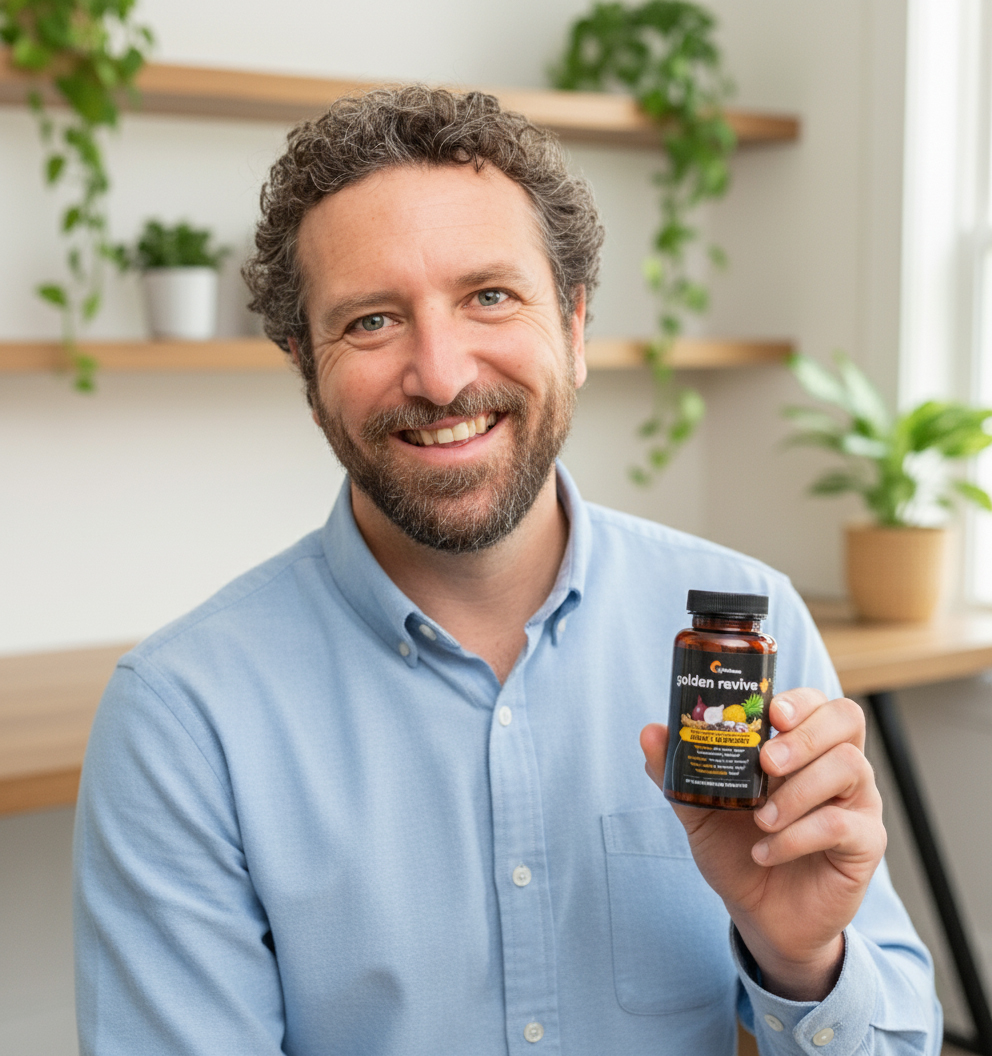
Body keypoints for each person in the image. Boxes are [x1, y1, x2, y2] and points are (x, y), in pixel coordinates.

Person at [74, 87, 941, 1055]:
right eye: (370, 321)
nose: (440, 376)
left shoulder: (746, 633)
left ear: (573, 328)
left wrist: (799, 959)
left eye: (489, 296)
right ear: (305, 373)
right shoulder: (182, 719)